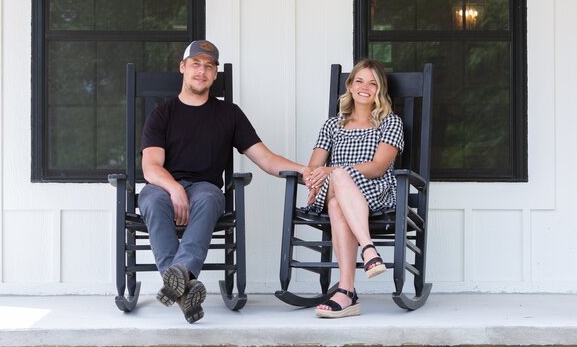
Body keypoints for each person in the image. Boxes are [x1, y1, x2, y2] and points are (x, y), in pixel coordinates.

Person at [139, 40, 310, 324]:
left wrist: (306, 171)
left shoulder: (229, 114)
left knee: (208, 197)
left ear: (215, 74)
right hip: (163, 186)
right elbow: (151, 166)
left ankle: (177, 277)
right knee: (153, 200)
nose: (201, 71)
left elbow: (265, 159)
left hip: (205, 188)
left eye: (209, 66)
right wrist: (175, 188)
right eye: (195, 64)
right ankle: (185, 285)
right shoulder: (162, 114)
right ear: (183, 67)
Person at [303, 59, 404, 319]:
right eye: (359, 81)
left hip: (374, 191)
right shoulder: (332, 125)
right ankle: (368, 249)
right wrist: (320, 177)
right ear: (350, 85)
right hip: (331, 188)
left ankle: (346, 291)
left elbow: (379, 166)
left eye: (372, 83)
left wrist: (335, 171)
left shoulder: (390, 123)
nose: (364, 87)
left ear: (379, 90)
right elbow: (314, 167)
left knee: (337, 198)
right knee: (336, 181)